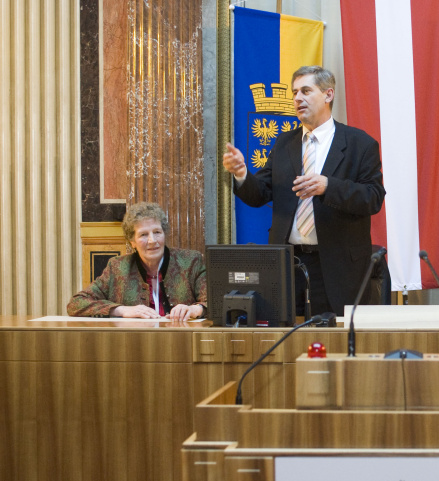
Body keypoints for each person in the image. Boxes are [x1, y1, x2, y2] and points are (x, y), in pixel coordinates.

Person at [222, 66, 385, 317]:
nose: (297, 98)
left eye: (306, 91)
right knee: (288, 342)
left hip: (338, 267)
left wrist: (328, 186)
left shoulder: (359, 143)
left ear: (328, 95)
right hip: (288, 266)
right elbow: (260, 194)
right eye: (295, 92)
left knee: (333, 344)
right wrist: (242, 173)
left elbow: (373, 198)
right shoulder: (285, 142)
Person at [67, 202, 207, 319]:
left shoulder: (190, 262)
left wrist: (195, 309)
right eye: (143, 235)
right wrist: (121, 310)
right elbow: (76, 304)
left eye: (157, 232)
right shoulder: (117, 267)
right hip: (133, 344)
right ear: (132, 241)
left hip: (180, 341)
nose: (152, 241)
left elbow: (215, 303)